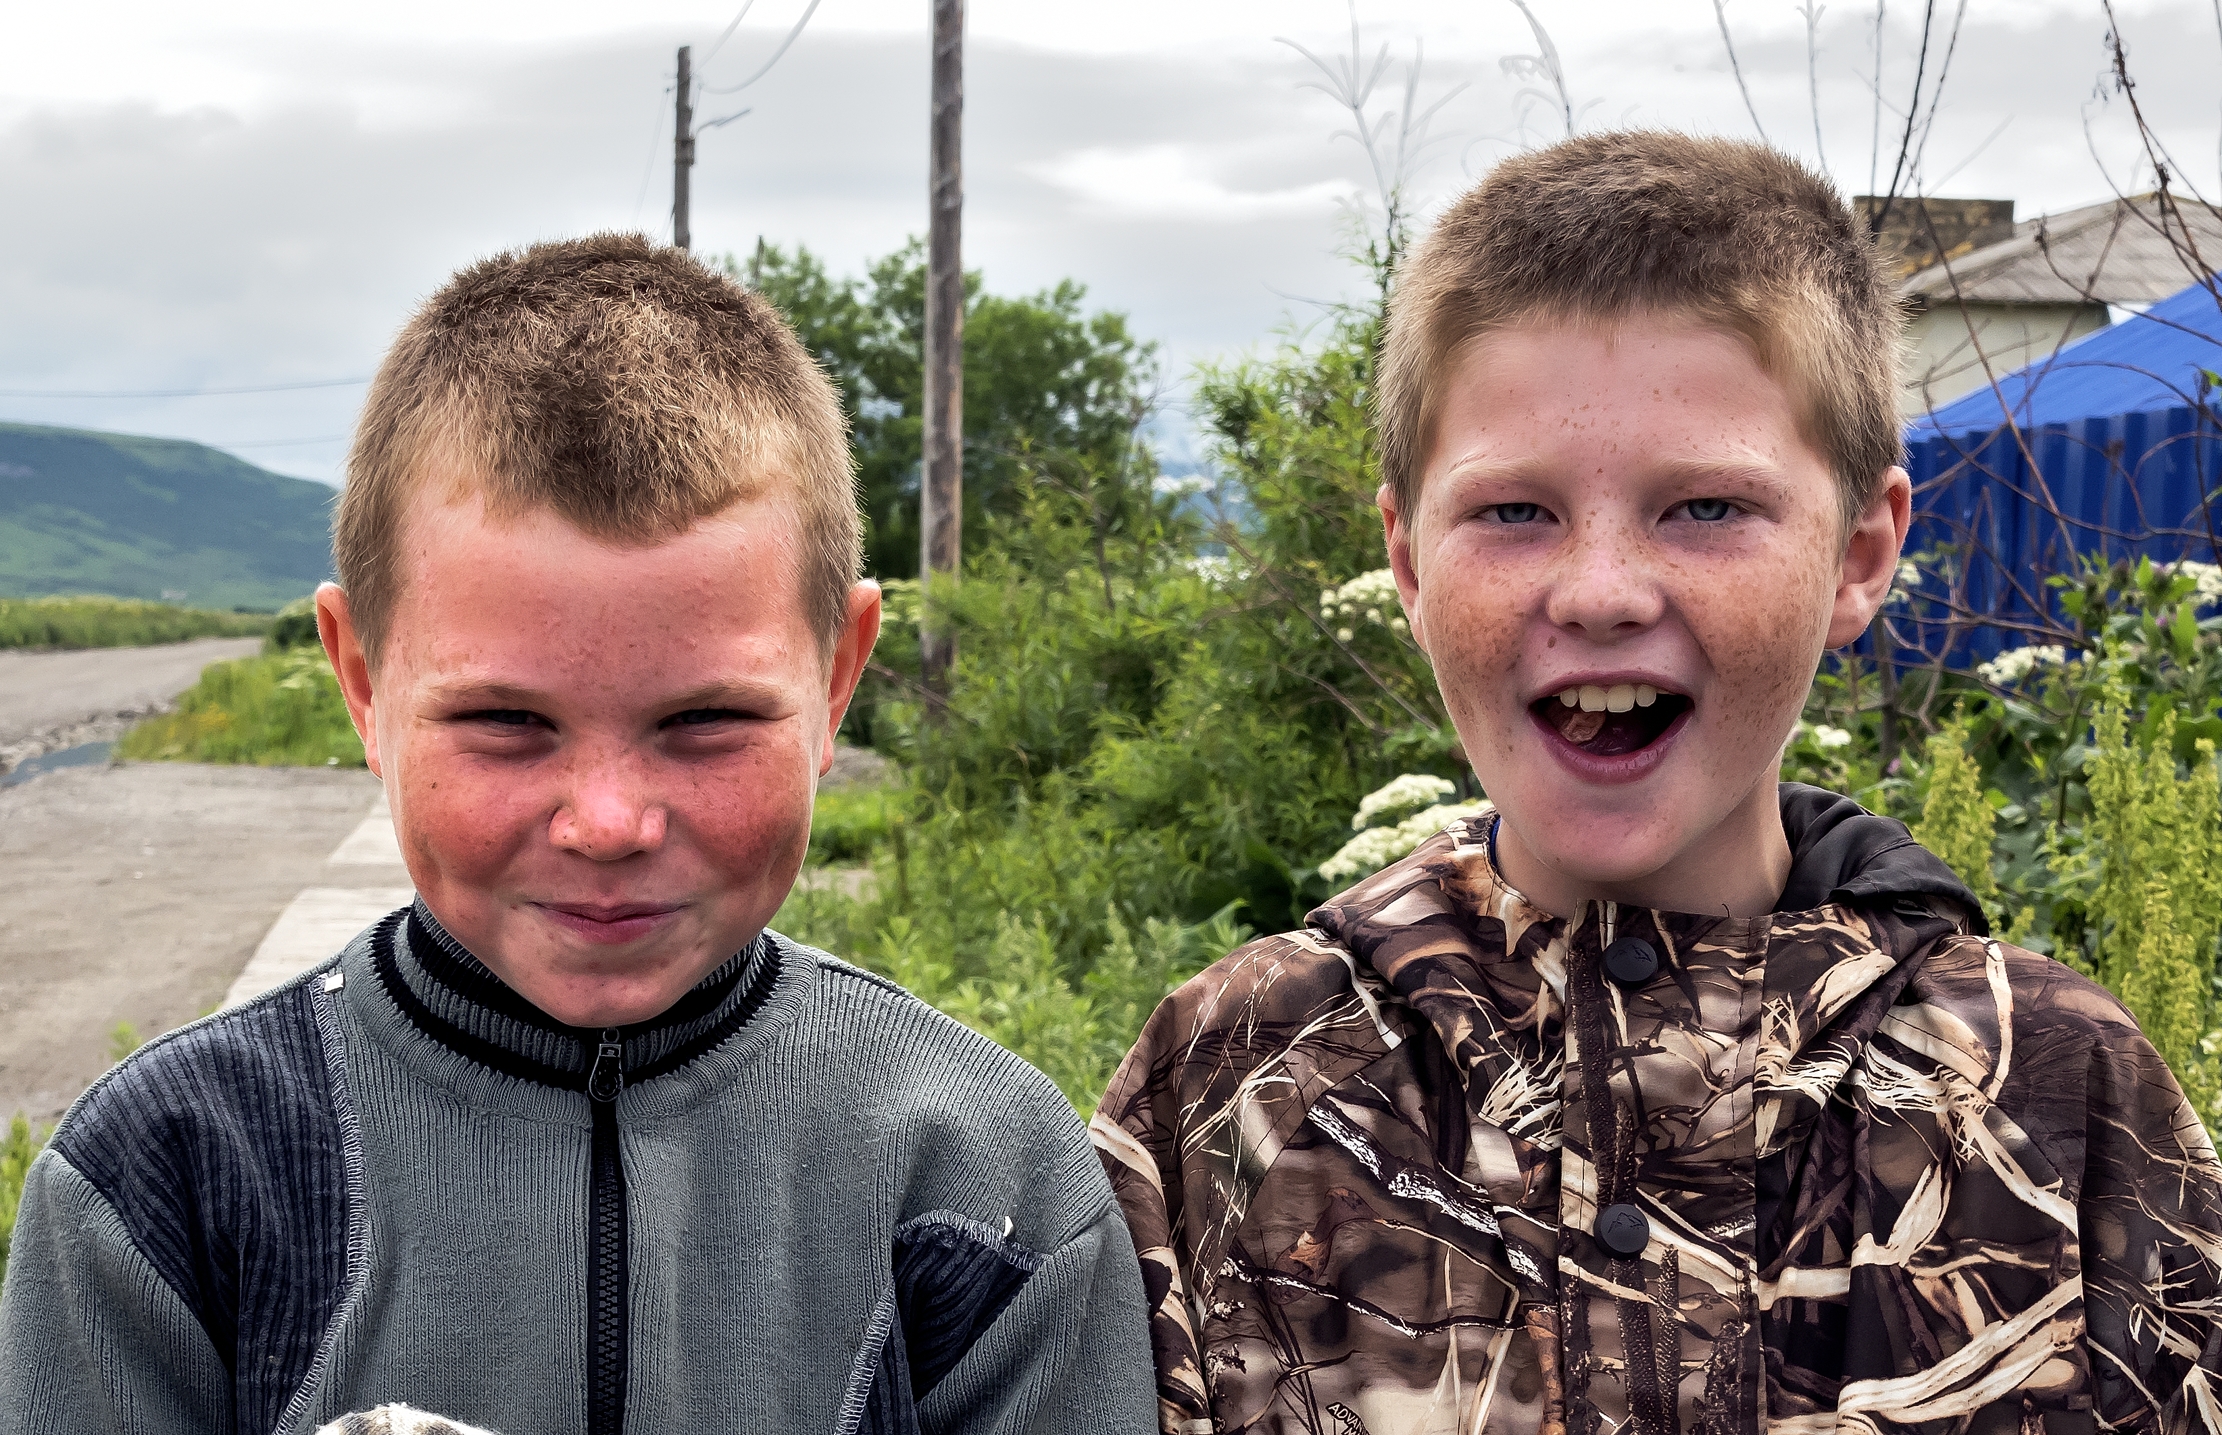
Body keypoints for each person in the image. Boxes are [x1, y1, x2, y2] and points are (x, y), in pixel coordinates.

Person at [1090, 132, 2222, 1433]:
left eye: (1704, 507)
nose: (1602, 590)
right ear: (1405, 561)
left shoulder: (2057, 1082)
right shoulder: (1234, 1073)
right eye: (1513, 510)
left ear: (1859, 554)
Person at [0, 235, 1154, 1435]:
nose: (606, 822)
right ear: (360, 681)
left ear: (838, 678)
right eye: (504, 721)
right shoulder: (164, 1185)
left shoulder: (981, 1176)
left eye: (705, 720)